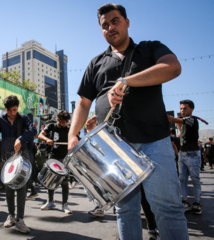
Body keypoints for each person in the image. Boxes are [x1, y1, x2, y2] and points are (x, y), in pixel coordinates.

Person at [67, 3, 188, 239]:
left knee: (168, 208)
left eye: (115, 21)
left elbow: (173, 68)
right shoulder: (96, 63)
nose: (110, 27)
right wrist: (73, 134)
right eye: (104, 25)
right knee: (125, 210)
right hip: (113, 148)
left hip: (154, 141)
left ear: (127, 22)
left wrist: (126, 81)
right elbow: (83, 103)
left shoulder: (150, 49)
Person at [0, 95, 36, 234]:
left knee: (21, 186)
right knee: (8, 188)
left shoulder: (24, 118)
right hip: (7, 156)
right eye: (9, 111)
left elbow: (33, 131)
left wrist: (21, 138)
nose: (12, 113)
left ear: (17, 108)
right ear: (6, 109)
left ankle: (20, 220)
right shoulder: (1, 120)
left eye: (14, 110)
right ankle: (11, 216)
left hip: (22, 155)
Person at [168, 100, 202, 214]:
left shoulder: (191, 119)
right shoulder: (185, 121)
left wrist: (164, 115)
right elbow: (180, 125)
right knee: (182, 179)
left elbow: (175, 120)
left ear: (191, 109)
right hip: (183, 153)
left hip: (192, 153)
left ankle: (197, 203)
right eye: (181, 108)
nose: (182, 110)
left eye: (185, 108)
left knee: (195, 180)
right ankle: (185, 201)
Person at [39, 110, 72, 214]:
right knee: (50, 180)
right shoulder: (51, 127)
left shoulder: (68, 129)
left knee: (64, 182)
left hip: (64, 158)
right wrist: (46, 139)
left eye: (66, 122)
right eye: (63, 122)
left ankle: (65, 204)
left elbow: (75, 139)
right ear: (58, 120)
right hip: (52, 157)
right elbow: (40, 135)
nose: (65, 124)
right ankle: (50, 202)